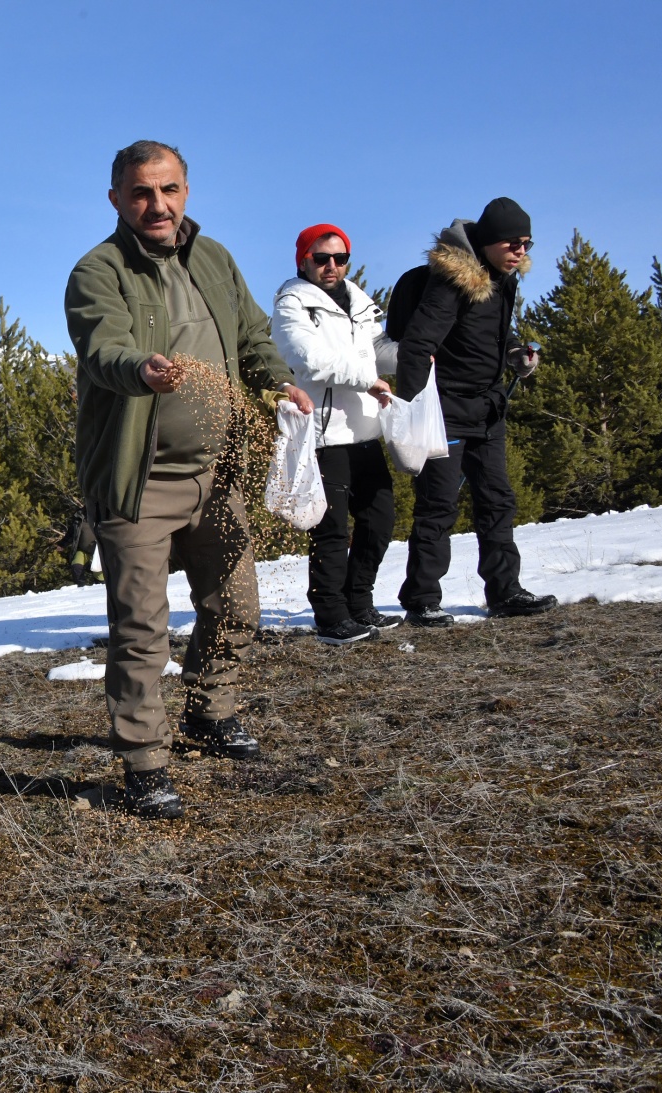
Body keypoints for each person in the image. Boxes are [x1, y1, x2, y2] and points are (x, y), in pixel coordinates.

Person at [64, 140, 312, 820]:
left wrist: (276, 382)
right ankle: (144, 763)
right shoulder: (98, 271)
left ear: (187, 191)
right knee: (142, 628)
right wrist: (140, 369)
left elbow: (253, 335)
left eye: (169, 189)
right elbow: (103, 346)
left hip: (220, 472)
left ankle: (210, 710)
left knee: (237, 607)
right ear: (116, 198)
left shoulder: (214, 258)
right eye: (142, 192)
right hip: (137, 481)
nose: (158, 204)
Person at [395, 198, 556, 626]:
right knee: (438, 506)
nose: (521, 250)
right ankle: (422, 599)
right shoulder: (452, 282)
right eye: (512, 242)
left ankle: (504, 592)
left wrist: (516, 355)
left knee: (497, 501)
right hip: (445, 410)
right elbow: (417, 345)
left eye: (527, 242)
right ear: (487, 241)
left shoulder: (503, 278)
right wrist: (413, 412)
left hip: (487, 409)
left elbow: (481, 340)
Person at [272, 224, 401, 644]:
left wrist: (417, 356)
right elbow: (309, 360)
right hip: (325, 434)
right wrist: (369, 380)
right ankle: (330, 616)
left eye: (340, 258)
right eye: (321, 258)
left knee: (379, 519)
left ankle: (359, 602)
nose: (332, 266)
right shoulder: (292, 303)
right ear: (303, 260)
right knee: (330, 531)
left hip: (364, 428)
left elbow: (378, 349)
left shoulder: (358, 299)